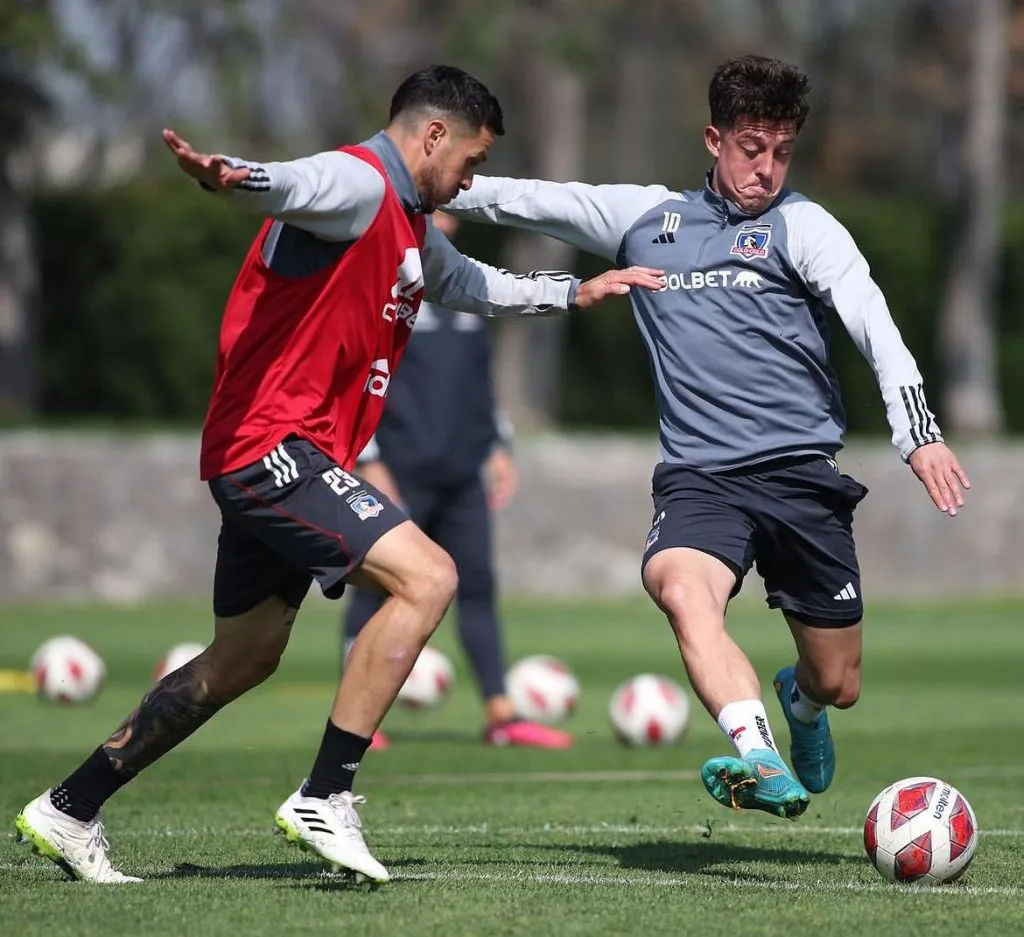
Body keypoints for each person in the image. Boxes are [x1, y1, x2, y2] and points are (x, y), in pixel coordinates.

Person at [13, 64, 663, 884]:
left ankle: (69, 806)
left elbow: (468, 284)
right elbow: (294, 183)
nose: (474, 179)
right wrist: (233, 176)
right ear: (432, 137)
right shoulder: (359, 183)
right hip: (271, 447)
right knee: (429, 577)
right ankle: (326, 794)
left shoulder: (410, 223)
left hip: (279, 452)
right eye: (473, 161)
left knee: (243, 656)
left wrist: (574, 291)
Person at [444, 55, 970, 819]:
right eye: (752, 148)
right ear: (712, 140)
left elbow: (875, 326)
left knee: (838, 681)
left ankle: (801, 703)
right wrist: (413, 179)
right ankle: (758, 754)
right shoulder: (643, 219)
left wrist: (916, 433)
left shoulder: (806, 226)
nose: (768, 169)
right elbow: (524, 200)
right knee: (683, 590)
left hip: (799, 475)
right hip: (701, 476)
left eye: (783, 151)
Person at [344, 211, 572, 751]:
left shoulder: (464, 288)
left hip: (463, 470)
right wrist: (370, 459)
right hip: (398, 470)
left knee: (478, 587)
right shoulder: (383, 284)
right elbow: (358, 376)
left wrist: (499, 445)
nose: (442, 217)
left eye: (447, 210)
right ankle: (359, 719)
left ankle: (501, 714)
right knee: (374, 587)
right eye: (431, 207)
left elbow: (480, 383)